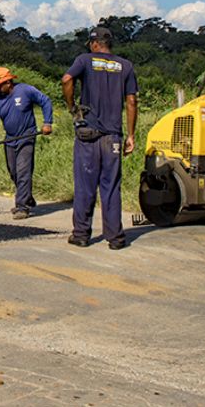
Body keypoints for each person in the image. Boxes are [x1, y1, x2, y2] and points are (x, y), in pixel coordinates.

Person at [61, 26, 138, 250]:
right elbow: (131, 101)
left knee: (85, 185)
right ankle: (115, 238)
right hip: (113, 136)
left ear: (94, 43)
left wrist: (72, 107)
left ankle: (82, 234)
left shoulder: (85, 60)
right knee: (111, 186)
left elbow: (67, 79)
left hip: (88, 134)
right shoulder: (125, 65)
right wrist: (131, 135)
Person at [0, 67, 54, 219]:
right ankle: (27, 197)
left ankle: (22, 207)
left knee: (23, 171)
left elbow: (45, 101)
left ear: (8, 82)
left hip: (27, 135)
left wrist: (47, 123)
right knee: (13, 171)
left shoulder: (25, 90)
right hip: (10, 138)